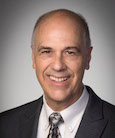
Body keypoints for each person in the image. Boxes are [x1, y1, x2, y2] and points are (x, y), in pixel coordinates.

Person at [0, 9, 115, 138]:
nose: (58, 66)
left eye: (70, 52)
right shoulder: (4, 125)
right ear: (33, 57)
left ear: (88, 57)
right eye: (47, 52)